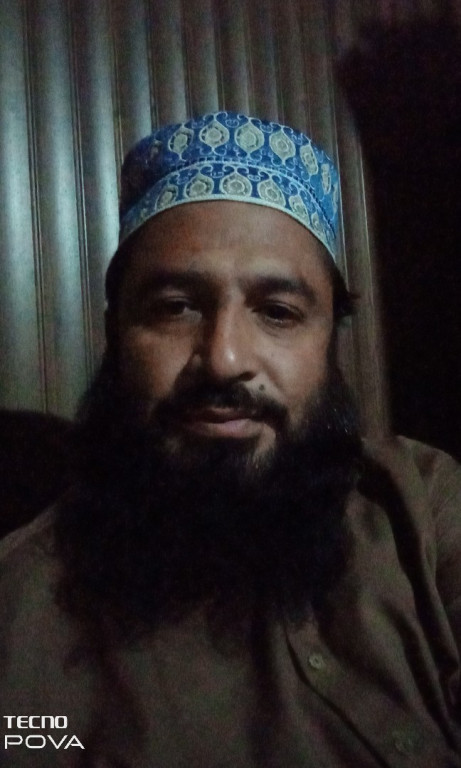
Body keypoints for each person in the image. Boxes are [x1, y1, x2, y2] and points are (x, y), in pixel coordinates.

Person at [1, 111, 461, 768]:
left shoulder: (423, 502)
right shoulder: (19, 628)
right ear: (115, 332)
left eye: (277, 312)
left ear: (328, 341)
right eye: (174, 307)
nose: (222, 359)